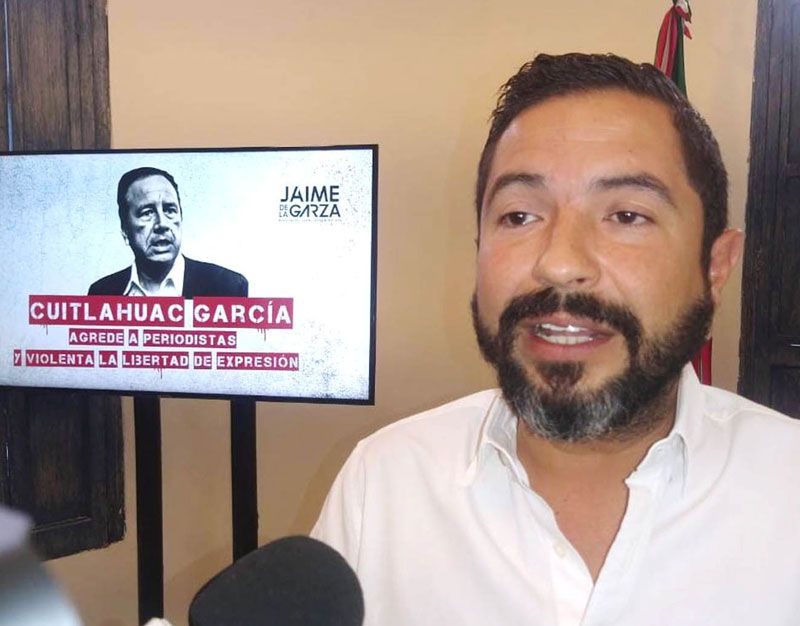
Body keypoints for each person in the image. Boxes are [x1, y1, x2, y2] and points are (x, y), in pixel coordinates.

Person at [312, 53, 800, 625]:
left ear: (716, 266)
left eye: (626, 215)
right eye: (519, 216)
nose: (560, 264)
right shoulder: (384, 483)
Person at [88, 167, 248, 298]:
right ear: (125, 229)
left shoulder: (228, 287)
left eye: (170, 210)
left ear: (181, 217)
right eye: (147, 213)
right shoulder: (102, 292)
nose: (162, 224)